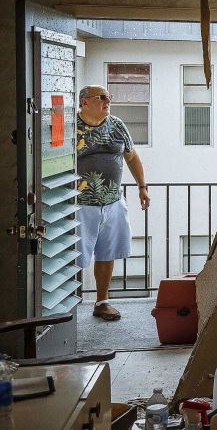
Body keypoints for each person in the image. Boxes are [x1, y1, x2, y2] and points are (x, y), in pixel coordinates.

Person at [75, 85, 150, 321]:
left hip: (112, 201)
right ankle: (63, 310)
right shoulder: (70, 127)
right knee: (73, 256)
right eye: (102, 97)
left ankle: (102, 302)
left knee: (106, 253)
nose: (108, 101)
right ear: (85, 102)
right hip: (80, 204)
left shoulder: (117, 124)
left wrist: (142, 187)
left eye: (109, 97)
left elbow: (131, 156)